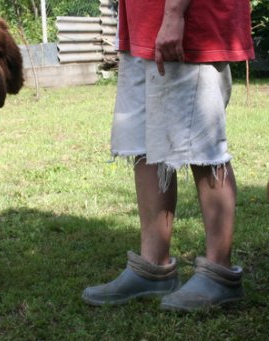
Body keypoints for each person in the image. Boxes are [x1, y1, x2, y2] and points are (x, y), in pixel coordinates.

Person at [82, 0, 255, 311]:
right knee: (143, 145)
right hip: (143, 25)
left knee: (204, 151)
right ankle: (153, 268)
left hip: (191, 22)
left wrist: (174, 13)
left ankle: (220, 274)